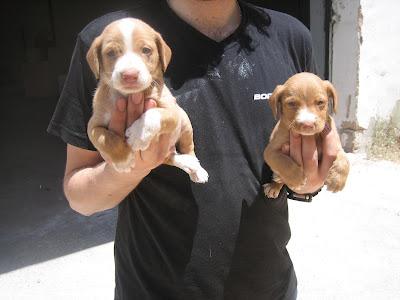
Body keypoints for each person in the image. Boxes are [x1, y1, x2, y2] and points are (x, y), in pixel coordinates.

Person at [48, 0, 340, 299]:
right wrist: (133, 164)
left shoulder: (290, 37)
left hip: (271, 287)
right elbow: (80, 197)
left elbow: (308, 152)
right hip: (156, 290)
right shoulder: (111, 40)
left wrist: (307, 182)